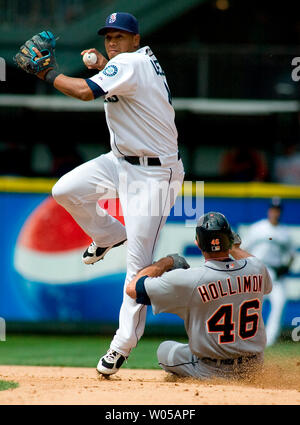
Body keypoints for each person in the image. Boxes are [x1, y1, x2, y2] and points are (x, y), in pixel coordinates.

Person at [15, 12, 184, 375]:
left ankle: (121, 346)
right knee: (65, 190)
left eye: (120, 36)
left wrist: (46, 72)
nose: (112, 41)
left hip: (155, 176)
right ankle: (108, 232)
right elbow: (117, 81)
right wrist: (104, 63)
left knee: (137, 269)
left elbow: (82, 92)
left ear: (135, 40)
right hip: (121, 160)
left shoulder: (131, 62)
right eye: (108, 35)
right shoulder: (135, 63)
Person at [126, 212, 272, 380]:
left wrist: (166, 262)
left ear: (197, 243)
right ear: (230, 238)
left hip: (212, 369)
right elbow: (258, 271)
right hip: (253, 367)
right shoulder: (256, 268)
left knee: (164, 350)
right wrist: (234, 247)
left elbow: (133, 289)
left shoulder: (191, 279)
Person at [243, 198, 295, 346]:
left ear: (280, 212)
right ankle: (248, 338)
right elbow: (243, 249)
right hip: (258, 271)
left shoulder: (285, 232)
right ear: (269, 211)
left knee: (280, 303)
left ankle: (268, 342)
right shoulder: (258, 228)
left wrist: (286, 267)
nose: (275, 212)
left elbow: (291, 255)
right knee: (252, 307)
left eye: (277, 210)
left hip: (276, 275)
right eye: (273, 209)